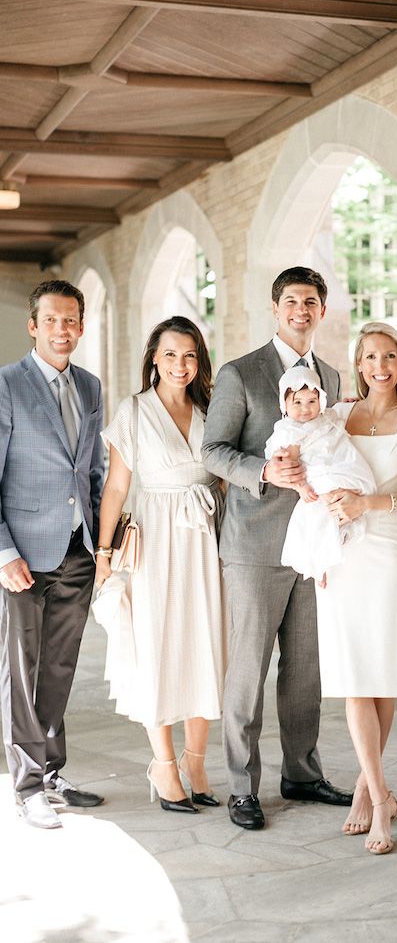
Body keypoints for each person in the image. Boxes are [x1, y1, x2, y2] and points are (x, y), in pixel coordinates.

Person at [201, 267, 351, 831]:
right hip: (255, 541)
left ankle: (302, 772)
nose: (300, 310)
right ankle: (242, 785)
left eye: (310, 301)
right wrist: (263, 469)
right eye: (291, 301)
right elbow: (213, 449)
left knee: (306, 668)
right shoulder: (241, 373)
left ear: (322, 310)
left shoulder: (333, 378)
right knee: (248, 668)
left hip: (314, 544)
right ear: (275, 307)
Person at [95, 316, 225, 814]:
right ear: (154, 357)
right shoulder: (134, 411)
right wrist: (105, 554)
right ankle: (164, 765)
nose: (180, 364)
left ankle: (196, 760)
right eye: (170, 354)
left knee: (204, 644)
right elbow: (116, 488)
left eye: (189, 355)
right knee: (158, 645)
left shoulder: (211, 408)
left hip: (204, 539)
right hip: (155, 538)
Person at [318, 322, 397, 855]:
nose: (381, 366)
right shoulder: (338, 417)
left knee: (382, 674)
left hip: (386, 546)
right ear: (359, 364)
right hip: (340, 552)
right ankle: (378, 791)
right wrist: (315, 545)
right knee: (352, 677)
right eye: (371, 357)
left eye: (390, 356)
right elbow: (315, 480)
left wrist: (368, 505)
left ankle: (369, 790)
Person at [0, 280, 105, 829]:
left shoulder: (89, 387)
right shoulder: (6, 385)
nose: (63, 330)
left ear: (81, 327)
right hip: (22, 555)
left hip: (76, 550)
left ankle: (52, 770)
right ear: (33, 326)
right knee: (22, 670)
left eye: (72, 321)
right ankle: (26, 784)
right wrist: (2, 552)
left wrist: (100, 543)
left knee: (60, 667)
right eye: (52, 321)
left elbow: (92, 471)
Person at [265, 366, 375, 585]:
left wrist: (350, 404)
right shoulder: (290, 431)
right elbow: (290, 467)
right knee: (319, 517)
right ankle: (319, 564)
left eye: (312, 401)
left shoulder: (326, 418)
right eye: (298, 402)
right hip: (316, 473)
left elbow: (337, 416)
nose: (305, 409)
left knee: (346, 499)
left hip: (339, 462)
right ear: (284, 404)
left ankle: (340, 541)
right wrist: (301, 488)